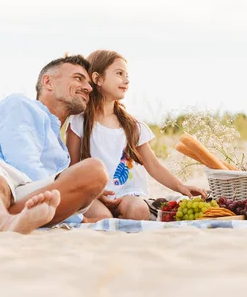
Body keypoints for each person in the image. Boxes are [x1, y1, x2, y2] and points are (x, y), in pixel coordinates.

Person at [0, 55, 108, 235]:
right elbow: (22, 162)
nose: (88, 88)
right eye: (78, 78)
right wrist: (74, 210)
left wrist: (87, 195)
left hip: (18, 195)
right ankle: (2, 223)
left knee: (94, 171)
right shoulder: (20, 104)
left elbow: (49, 190)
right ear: (48, 82)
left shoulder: (60, 150)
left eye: (89, 84)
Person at [66, 50, 206, 221]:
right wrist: (93, 192)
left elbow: (153, 166)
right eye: (119, 74)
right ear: (98, 79)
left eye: (127, 75)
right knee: (103, 217)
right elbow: (71, 167)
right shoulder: (79, 121)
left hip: (126, 194)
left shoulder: (133, 126)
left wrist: (181, 187)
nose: (126, 80)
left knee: (139, 210)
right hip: (92, 195)